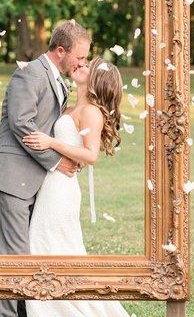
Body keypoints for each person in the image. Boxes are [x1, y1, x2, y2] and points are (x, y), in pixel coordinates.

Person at [0, 20, 90, 317]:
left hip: (32, 181)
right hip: (11, 179)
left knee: (25, 255)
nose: (83, 63)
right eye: (79, 57)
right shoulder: (29, 74)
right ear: (61, 50)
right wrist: (55, 161)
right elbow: (20, 123)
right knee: (10, 259)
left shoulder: (57, 79)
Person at [22, 56, 130, 317]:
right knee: (49, 245)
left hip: (62, 190)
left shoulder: (91, 111)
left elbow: (91, 155)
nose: (80, 65)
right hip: (50, 184)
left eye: (87, 65)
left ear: (97, 78)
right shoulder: (72, 106)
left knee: (48, 245)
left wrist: (51, 143)